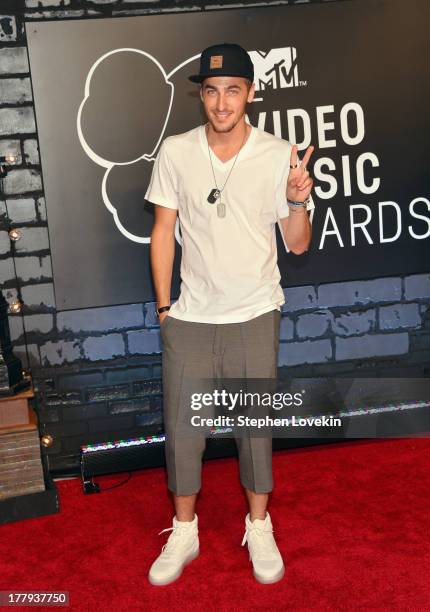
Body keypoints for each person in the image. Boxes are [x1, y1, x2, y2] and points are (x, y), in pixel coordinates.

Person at [145, 42, 315, 586]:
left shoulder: (275, 153)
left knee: (255, 430)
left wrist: (297, 200)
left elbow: (298, 244)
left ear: (250, 94)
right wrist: (165, 310)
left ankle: (259, 526)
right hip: (191, 315)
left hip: (255, 310)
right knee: (183, 431)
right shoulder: (175, 152)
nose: (222, 103)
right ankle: (185, 530)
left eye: (233, 91)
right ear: (202, 95)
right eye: (212, 91)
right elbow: (163, 232)